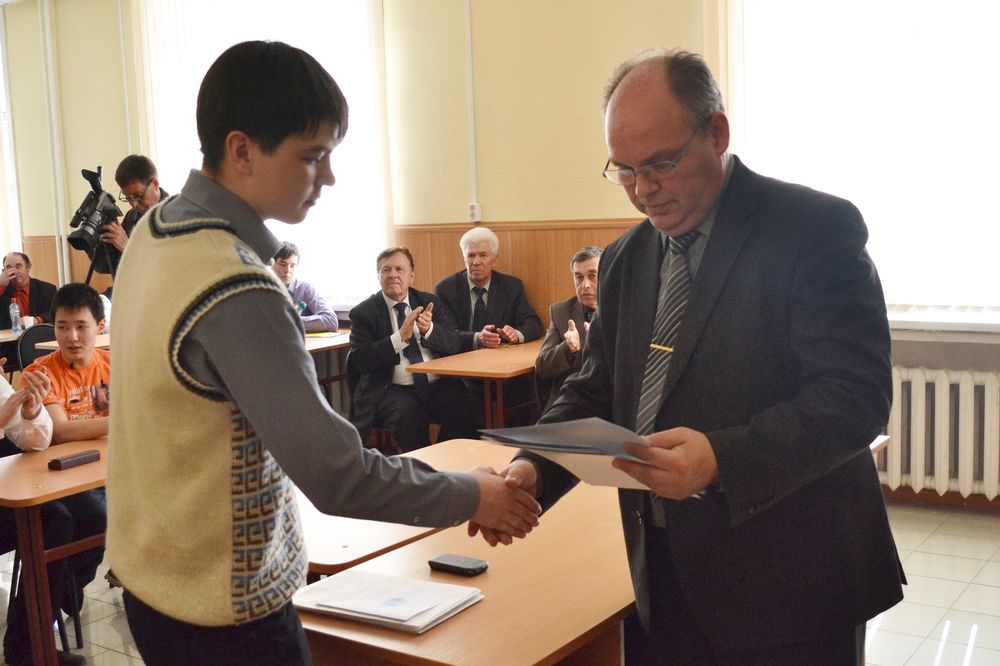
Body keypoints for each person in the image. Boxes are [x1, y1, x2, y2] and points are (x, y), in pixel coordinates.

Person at [105, 41, 539, 666]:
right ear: (241, 150)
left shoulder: (155, 228)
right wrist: (474, 495)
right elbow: (337, 475)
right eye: (313, 157)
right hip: (226, 609)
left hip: (154, 579)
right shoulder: (236, 285)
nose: (328, 177)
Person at [474, 49, 904, 664]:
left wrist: (720, 460)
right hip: (662, 575)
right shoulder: (625, 259)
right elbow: (595, 388)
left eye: (661, 164)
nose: (642, 190)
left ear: (717, 133)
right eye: (624, 170)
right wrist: (533, 467)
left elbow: (855, 399)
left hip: (791, 584)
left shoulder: (811, 228)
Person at [349, 246, 483, 452]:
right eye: (386, 270)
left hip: (436, 385)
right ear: (378, 276)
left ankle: (446, 460)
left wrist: (429, 330)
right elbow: (360, 360)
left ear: (411, 276)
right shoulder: (364, 312)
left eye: (399, 269)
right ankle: (421, 469)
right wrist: (397, 339)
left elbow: (453, 342)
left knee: (469, 408)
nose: (392, 274)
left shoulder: (429, 302)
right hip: (392, 389)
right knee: (409, 416)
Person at [25, 283, 110, 444]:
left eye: (81, 327)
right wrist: (122, 422)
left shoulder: (115, 365)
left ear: (100, 327)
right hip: (65, 457)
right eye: (63, 327)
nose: (72, 337)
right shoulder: (39, 374)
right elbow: (60, 432)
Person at [434, 226, 543, 351]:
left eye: (483, 255)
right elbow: (445, 333)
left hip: (499, 356)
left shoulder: (511, 287)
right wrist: (477, 338)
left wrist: (516, 334)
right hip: (460, 356)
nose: (476, 262)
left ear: (494, 260)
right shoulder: (446, 289)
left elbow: (533, 324)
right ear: (464, 259)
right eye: (471, 256)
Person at [534, 246, 601, 412]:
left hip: (607, 401)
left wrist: (601, 343)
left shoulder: (622, 310)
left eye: (593, 276)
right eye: (579, 277)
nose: (585, 285)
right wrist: (567, 349)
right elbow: (542, 367)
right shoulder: (561, 312)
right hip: (570, 400)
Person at [98, 154, 169, 254]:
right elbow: (112, 261)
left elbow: (169, 261)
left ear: (155, 184)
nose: (134, 204)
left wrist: (127, 247)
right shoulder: (131, 216)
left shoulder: (177, 215)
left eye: (138, 195)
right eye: (129, 198)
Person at [272, 241, 339, 332]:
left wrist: (290, 320)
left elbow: (331, 321)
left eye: (292, 266)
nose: (288, 270)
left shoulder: (305, 288)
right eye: (283, 264)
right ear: (272, 264)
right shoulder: (261, 289)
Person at [0, 252, 57, 327]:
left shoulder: (47, 289)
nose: (14, 272)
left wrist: (37, 320)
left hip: (39, 332)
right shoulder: (2, 290)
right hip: (9, 334)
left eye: (18, 267)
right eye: (9, 268)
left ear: (28, 267)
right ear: (3, 271)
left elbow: (57, 313)